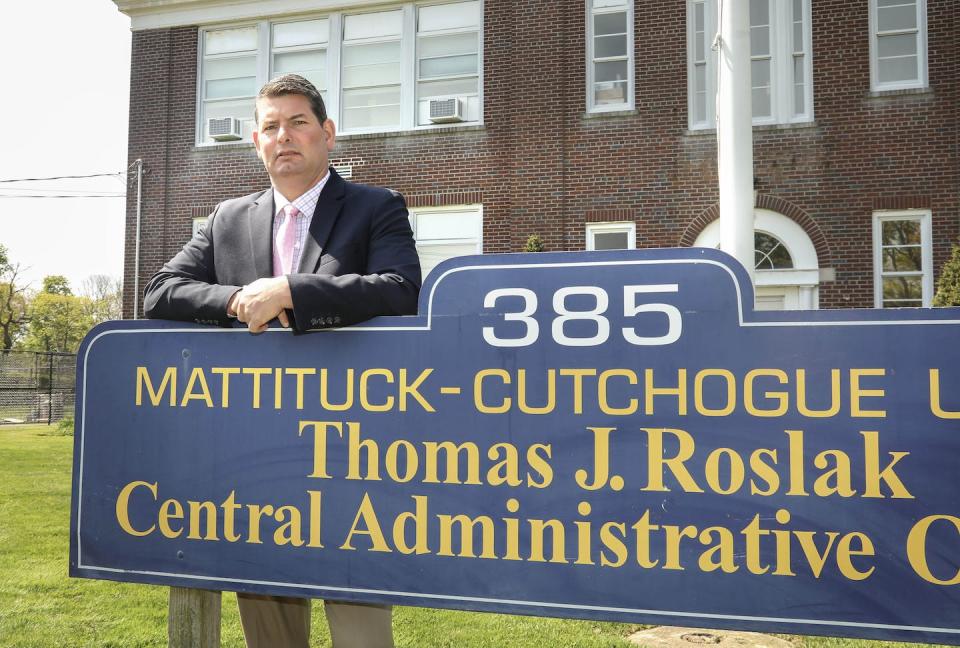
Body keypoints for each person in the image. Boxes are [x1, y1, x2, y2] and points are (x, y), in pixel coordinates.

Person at [143, 73, 420, 648]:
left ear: (327, 134)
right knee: (269, 628)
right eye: (271, 126)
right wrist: (238, 299)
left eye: (298, 122)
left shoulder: (375, 207)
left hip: (348, 449)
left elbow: (399, 289)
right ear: (256, 141)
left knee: (360, 630)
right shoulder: (228, 218)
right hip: (255, 452)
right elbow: (160, 291)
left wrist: (291, 292)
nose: (284, 136)